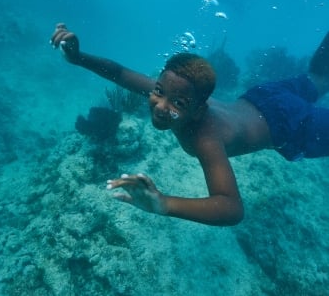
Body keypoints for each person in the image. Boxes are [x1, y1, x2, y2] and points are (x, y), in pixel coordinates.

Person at [50, 24, 329, 226]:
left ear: (198, 110)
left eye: (178, 104)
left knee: (319, 77)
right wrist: (78, 58)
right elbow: (121, 73)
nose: (160, 105)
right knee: (319, 76)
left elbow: (232, 208)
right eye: (158, 91)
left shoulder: (204, 138)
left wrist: (163, 203)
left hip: (293, 126)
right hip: (265, 98)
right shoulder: (175, 90)